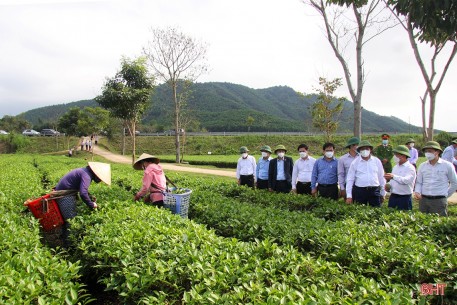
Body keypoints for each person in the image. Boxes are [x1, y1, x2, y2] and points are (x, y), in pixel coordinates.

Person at [54, 162, 111, 247]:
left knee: (69, 221)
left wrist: (90, 197)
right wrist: (92, 205)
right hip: (64, 196)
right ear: (96, 174)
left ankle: (65, 242)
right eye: (100, 178)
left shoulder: (85, 172)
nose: (99, 181)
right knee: (71, 221)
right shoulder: (86, 175)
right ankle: (69, 246)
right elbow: (83, 193)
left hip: (64, 194)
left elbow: (83, 190)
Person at [414, 141, 457, 216]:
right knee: (423, 222)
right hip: (424, 200)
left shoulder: (447, 165)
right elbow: (419, 182)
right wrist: (417, 191)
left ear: (437, 152)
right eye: (426, 151)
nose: (427, 153)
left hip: (439, 201)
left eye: (430, 151)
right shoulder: (422, 166)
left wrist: (445, 195)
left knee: (439, 223)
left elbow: (454, 183)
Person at [346, 140, 386, 207]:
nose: (365, 151)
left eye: (367, 149)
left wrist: (383, 193)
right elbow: (350, 179)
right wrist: (349, 196)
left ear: (370, 150)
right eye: (362, 149)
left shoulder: (376, 161)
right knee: (360, 211)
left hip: (374, 190)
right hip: (360, 191)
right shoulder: (355, 162)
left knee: (376, 212)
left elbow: (381, 177)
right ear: (359, 151)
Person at [384, 145, 416, 210]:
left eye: (396, 155)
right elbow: (393, 181)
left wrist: (393, 176)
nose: (395, 157)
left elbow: (406, 180)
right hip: (393, 196)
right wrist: (388, 185)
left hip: (404, 197)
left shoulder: (410, 168)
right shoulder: (395, 167)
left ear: (403, 155)